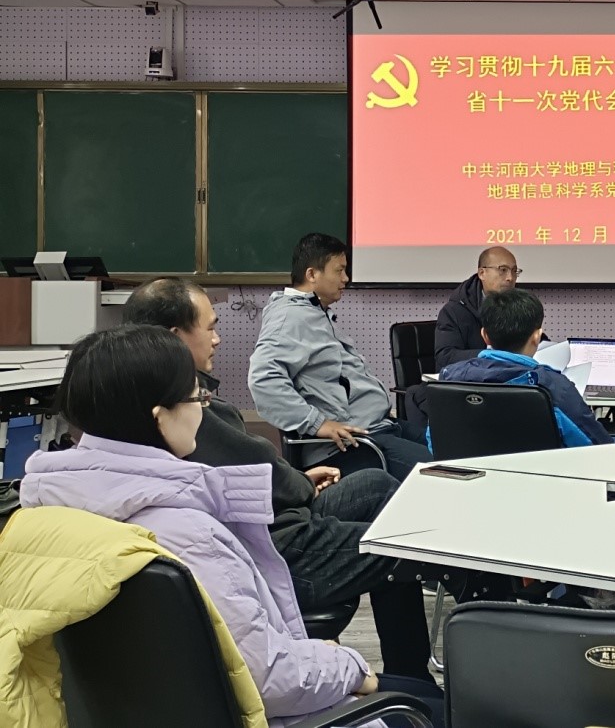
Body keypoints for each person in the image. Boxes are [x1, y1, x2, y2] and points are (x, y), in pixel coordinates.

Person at [19, 325, 446, 726]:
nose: (202, 411)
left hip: (141, 710)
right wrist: (349, 667)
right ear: (161, 417)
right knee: (441, 705)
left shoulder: (42, 511)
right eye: (196, 399)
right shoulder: (188, 533)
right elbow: (271, 680)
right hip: (263, 710)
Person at [123, 277, 441, 687]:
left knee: (375, 486)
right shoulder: (185, 409)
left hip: (268, 516)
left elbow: (245, 472)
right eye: (210, 328)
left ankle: (408, 674)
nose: (218, 339)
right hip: (276, 547)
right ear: (175, 337)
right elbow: (255, 465)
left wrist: (298, 481)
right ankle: (413, 681)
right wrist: (300, 486)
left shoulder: (136, 398)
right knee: (398, 542)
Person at [249, 233, 431, 481]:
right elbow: (263, 380)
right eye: (339, 270)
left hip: (378, 428)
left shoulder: (314, 312)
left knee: (456, 451)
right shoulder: (290, 318)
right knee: (444, 471)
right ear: (312, 274)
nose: (346, 278)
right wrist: (317, 423)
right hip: (352, 446)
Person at [437, 288, 612, 448]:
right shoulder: (555, 388)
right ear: (537, 337)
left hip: (462, 472)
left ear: (485, 336)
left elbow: (436, 442)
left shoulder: (449, 379)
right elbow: (599, 447)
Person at [435, 246, 521, 370]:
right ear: (482, 273)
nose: (510, 278)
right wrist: (488, 356)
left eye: (514, 271)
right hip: (469, 379)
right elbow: (445, 357)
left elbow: (536, 342)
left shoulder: (519, 307)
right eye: (503, 270)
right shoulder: (454, 311)